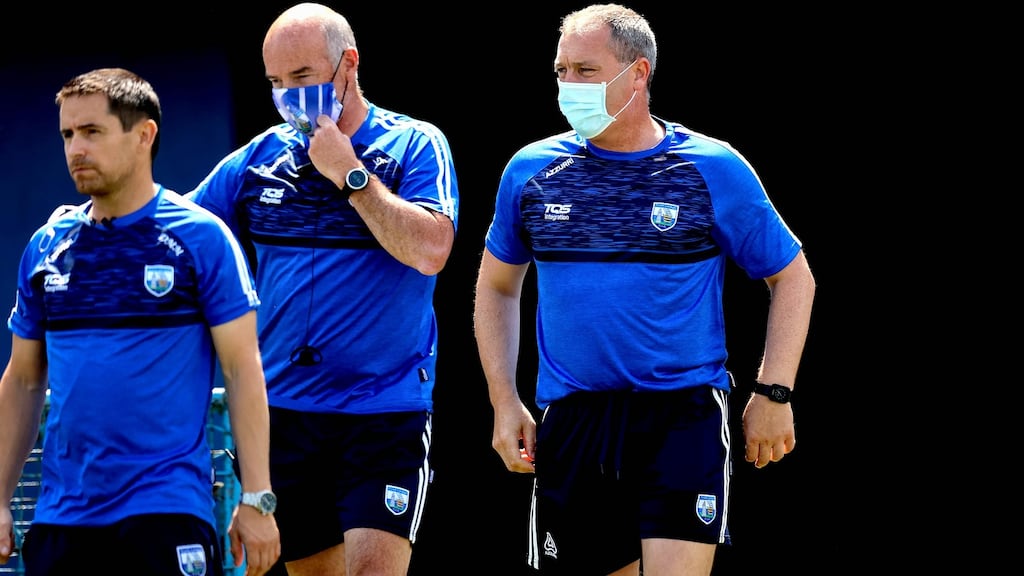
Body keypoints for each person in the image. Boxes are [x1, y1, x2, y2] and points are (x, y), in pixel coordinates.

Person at [473, 4, 817, 575]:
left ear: (638, 74)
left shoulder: (711, 166)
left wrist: (773, 393)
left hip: (681, 416)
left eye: (585, 70)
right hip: (575, 417)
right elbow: (497, 287)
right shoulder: (530, 170)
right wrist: (504, 401)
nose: (568, 85)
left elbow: (792, 275)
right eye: (561, 71)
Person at [187, 3, 459, 574]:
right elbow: (182, 234)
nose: (288, 96)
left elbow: (431, 250)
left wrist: (351, 174)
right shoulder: (258, 159)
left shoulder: (415, 144)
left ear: (347, 65)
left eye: (302, 78)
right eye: (275, 83)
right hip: (284, 413)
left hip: (383, 410)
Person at [0, 67, 280, 576]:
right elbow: (21, 379)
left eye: (92, 132)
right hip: (62, 521)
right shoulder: (46, 247)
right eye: (67, 134)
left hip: (166, 512)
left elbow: (242, 370)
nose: (75, 149)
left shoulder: (202, 240)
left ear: (144, 135)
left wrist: (257, 499)